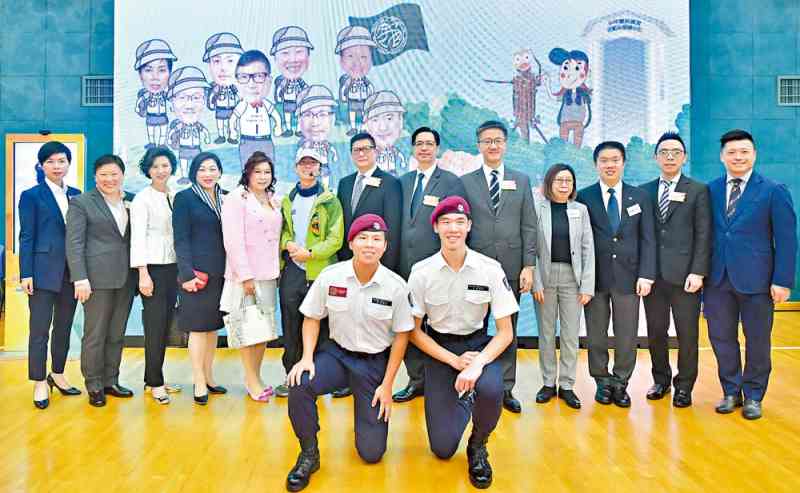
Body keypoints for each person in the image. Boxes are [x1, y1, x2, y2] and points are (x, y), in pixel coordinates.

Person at [285, 214, 413, 492]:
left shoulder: (396, 287)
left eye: (377, 239)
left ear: (385, 246)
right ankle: (309, 453)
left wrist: (388, 385)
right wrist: (306, 358)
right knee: (299, 384)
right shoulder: (331, 276)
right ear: (351, 243)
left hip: (373, 365)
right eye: (363, 238)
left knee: (371, 453)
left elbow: (403, 336)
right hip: (337, 356)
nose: (370, 244)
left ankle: (365, 411)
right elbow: (311, 317)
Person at [408, 196, 519, 489]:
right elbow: (414, 331)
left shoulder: (489, 268)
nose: (452, 228)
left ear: (469, 226)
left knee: (493, 389)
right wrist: (454, 362)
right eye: (445, 222)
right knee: (442, 449)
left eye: (459, 222)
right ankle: (465, 398)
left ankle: (478, 443)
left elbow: (505, 332)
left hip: (478, 347)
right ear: (435, 228)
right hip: (440, 351)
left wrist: (477, 364)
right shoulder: (422, 272)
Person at [705, 129, 797, 420]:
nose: (738, 157)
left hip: (758, 281)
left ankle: (754, 395)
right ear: (722, 157)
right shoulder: (711, 190)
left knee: (757, 340)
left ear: (754, 154)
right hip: (718, 279)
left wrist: (782, 280)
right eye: (732, 152)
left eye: (744, 151)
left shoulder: (773, 190)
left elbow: (786, 239)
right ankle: (731, 391)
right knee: (721, 338)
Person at [460, 120, 537, 413]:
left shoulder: (521, 180)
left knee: (510, 329)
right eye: (487, 141)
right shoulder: (465, 182)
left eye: (498, 141)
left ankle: (506, 387)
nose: (493, 146)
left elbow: (529, 225)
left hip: (512, 268)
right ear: (479, 146)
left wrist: (528, 266)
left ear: (505, 144)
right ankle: (473, 383)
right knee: (474, 328)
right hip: (475, 268)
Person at [576, 141, 656, 408]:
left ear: (623, 163)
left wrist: (646, 274)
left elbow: (649, 239)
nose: (609, 165)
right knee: (596, 334)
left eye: (615, 160)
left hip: (629, 278)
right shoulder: (584, 197)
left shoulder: (640, 196)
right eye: (604, 160)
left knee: (626, 335)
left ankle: (621, 383)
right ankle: (601, 381)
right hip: (594, 280)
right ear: (596, 164)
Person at [393, 127, 466, 403]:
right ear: (413, 148)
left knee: (435, 324)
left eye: (429, 143)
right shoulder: (402, 181)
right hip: (405, 267)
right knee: (408, 324)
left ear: (437, 148)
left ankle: (441, 379)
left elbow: (454, 225)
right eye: (419, 144)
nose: (424, 148)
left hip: (437, 267)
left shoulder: (450, 182)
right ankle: (416, 380)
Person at [641, 132, 711, 408]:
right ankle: (661, 380)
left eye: (675, 152)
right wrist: (641, 273)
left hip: (686, 279)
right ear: (656, 157)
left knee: (687, 334)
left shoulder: (698, 190)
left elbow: (704, 234)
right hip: (653, 277)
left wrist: (698, 271)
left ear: (684, 157)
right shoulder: (644, 191)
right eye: (664, 152)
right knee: (656, 332)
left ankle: (685, 386)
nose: (670, 156)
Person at [335, 132, 403, 398]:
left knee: (375, 325)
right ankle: (346, 379)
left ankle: (376, 379)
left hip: (378, 270)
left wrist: (388, 269)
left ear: (375, 152)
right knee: (348, 321)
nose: (361, 154)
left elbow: (392, 229)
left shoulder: (390, 183)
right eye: (356, 150)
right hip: (350, 267)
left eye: (366, 149)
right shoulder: (344, 183)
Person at [66, 155, 137, 408]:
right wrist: (80, 278)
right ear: (95, 177)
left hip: (126, 278)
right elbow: (74, 244)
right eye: (104, 174)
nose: (109, 179)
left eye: (114, 174)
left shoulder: (132, 199)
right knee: (95, 334)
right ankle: (94, 384)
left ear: (122, 175)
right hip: (95, 279)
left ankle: (111, 380)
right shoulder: (81, 203)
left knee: (116, 333)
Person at [275, 147, 344, 398]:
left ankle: (320, 376)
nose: (308, 168)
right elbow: (281, 232)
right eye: (303, 163)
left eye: (312, 163)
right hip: (293, 270)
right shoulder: (287, 200)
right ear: (296, 168)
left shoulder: (330, 200)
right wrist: (288, 245)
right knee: (291, 323)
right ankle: (291, 376)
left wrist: (311, 254)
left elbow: (336, 239)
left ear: (320, 168)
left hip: (320, 271)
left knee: (322, 325)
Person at [19, 141, 82, 409]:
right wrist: (26, 273)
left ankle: (57, 373)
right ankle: (39, 382)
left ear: (69, 164)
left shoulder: (78, 195)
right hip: (43, 272)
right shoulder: (31, 195)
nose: (57, 166)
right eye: (51, 162)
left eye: (62, 161)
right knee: (39, 329)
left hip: (72, 272)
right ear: (42, 165)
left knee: (64, 327)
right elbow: (26, 237)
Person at [220, 151, 282, 402]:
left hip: (269, 274)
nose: (263, 176)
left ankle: (254, 377)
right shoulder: (236, 199)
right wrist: (245, 276)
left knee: (263, 329)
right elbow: (233, 240)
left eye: (267, 172)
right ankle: (251, 379)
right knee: (247, 329)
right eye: (258, 171)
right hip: (245, 275)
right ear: (247, 173)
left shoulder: (273, 199)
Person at [531, 163, 594, 410]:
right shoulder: (537, 208)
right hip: (544, 279)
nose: (564, 185)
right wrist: (536, 280)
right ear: (549, 183)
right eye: (559, 180)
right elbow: (532, 247)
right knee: (546, 334)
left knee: (570, 335)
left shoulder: (581, 210)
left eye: (568, 181)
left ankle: (567, 385)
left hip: (572, 279)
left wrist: (586, 285)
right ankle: (548, 383)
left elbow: (588, 248)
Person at [172, 152, 228, 405]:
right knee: (197, 327)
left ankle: (209, 375)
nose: (208, 174)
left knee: (213, 326)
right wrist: (186, 274)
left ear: (219, 172)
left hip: (221, 272)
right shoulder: (184, 198)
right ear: (194, 172)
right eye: (202, 169)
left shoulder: (226, 197)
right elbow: (180, 239)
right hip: (196, 274)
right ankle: (197, 379)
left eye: (212, 169)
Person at [130, 146, 182, 404]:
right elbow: (137, 238)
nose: (161, 171)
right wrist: (143, 274)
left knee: (164, 327)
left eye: (165, 165)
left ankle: (154, 378)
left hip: (172, 267)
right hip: (152, 268)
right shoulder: (143, 199)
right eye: (155, 167)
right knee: (153, 327)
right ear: (148, 170)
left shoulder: (174, 195)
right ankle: (155, 382)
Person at [231, 50, 282, 168]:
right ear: (237, 82)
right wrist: (233, 131)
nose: (251, 84)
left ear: (269, 80)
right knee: (247, 169)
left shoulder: (266, 104)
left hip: (266, 141)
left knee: (268, 168)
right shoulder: (242, 105)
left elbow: (275, 115)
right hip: (247, 141)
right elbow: (234, 118)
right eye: (244, 77)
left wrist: (278, 126)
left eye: (259, 76)